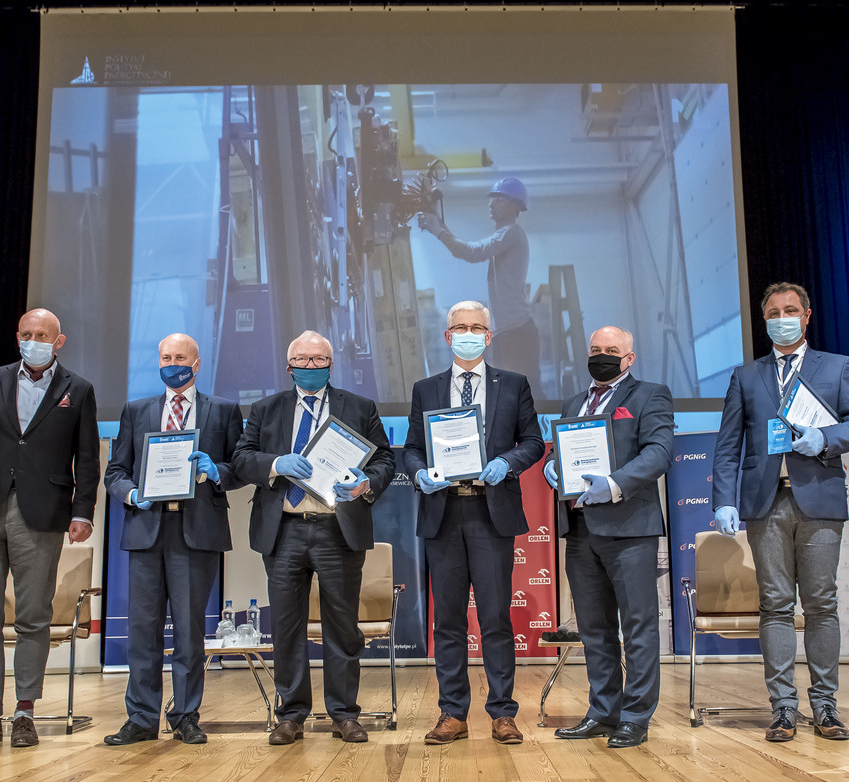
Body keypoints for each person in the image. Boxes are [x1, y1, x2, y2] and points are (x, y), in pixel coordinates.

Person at [712, 283, 849, 742]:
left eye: (789, 310)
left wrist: (825, 439)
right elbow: (728, 446)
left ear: (806, 315)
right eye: (772, 312)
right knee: (775, 605)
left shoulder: (837, 366)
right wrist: (724, 499)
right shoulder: (746, 376)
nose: (781, 318)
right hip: (765, 503)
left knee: (822, 604)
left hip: (819, 498)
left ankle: (825, 706)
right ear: (764, 320)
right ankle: (783, 707)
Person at [0, 308, 100, 750]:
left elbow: (87, 459)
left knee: (33, 617)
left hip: (43, 513)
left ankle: (25, 712)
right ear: (17, 337)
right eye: (27, 334)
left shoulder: (79, 389)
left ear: (58, 341)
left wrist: (83, 512)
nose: (34, 341)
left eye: (42, 335)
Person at [231, 331, 396, 746]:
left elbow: (385, 459)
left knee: (343, 628)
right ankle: (291, 715)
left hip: (338, 528)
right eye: (302, 360)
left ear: (331, 364)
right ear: (288, 366)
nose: (310, 366)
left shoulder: (359, 407)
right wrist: (276, 463)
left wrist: (365, 483)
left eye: (318, 359)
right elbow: (241, 459)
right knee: (286, 628)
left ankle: (344, 714)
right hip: (283, 530)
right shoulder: (266, 409)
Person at [405, 300, 545, 745]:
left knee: (495, 618)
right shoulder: (425, 388)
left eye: (477, 327)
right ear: (448, 336)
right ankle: (452, 713)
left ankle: (503, 713)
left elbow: (533, 441)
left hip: (491, 512)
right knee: (448, 621)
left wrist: (507, 462)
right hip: (443, 512)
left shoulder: (514, 384)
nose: (469, 334)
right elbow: (412, 448)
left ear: (489, 334)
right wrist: (419, 473)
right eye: (460, 327)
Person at [102, 333, 245, 746]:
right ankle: (141, 718)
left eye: (180, 357)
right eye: (166, 357)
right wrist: (133, 494)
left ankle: (185, 715)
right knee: (142, 631)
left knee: (189, 631)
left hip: (196, 531)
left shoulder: (223, 410)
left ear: (196, 364)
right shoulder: (136, 410)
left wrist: (215, 471)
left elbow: (239, 467)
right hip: (147, 529)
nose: (172, 363)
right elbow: (115, 472)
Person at [546, 326, 673, 749]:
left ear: (629, 358)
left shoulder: (650, 395)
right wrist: (551, 466)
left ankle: (635, 717)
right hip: (581, 529)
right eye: (596, 349)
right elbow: (561, 451)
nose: (602, 356)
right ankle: (603, 712)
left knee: (638, 627)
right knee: (594, 630)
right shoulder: (573, 402)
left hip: (630, 528)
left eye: (612, 350)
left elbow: (659, 452)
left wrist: (614, 483)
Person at [417, 177, 541, 398]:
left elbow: (472, 252)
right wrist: (438, 222)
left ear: (515, 206)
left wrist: (438, 231)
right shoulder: (505, 234)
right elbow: (465, 248)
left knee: (526, 395)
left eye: (499, 199)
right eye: (491, 198)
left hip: (516, 332)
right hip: (507, 332)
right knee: (507, 394)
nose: (491, 204)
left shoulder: (511, 232)